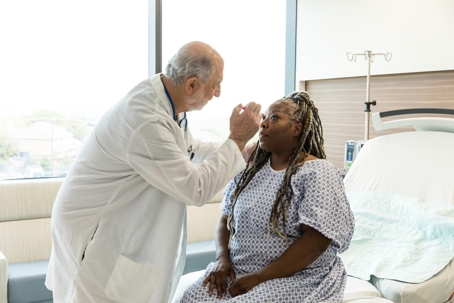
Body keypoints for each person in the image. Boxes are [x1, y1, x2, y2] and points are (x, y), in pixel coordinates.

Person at [45, 41, 262, 303]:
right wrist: (236, 139)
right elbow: (196, 188)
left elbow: (188, 149)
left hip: (115, 225)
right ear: (191, 84)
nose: (218, 93)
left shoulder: (168, 103)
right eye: (215, 84)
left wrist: (241, 152)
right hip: (96, 235)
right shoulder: (145, 119)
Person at [179, 91, 355, 303]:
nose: (263, 124)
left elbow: (316, 242)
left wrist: (260, 277)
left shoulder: (317, 172)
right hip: (239, 271)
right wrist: (222, 261)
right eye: (264, 118)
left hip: (296, 278)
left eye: (274, 118)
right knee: (190, 298)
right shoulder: (250, 171)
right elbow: (225, 220)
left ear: (296, 129)